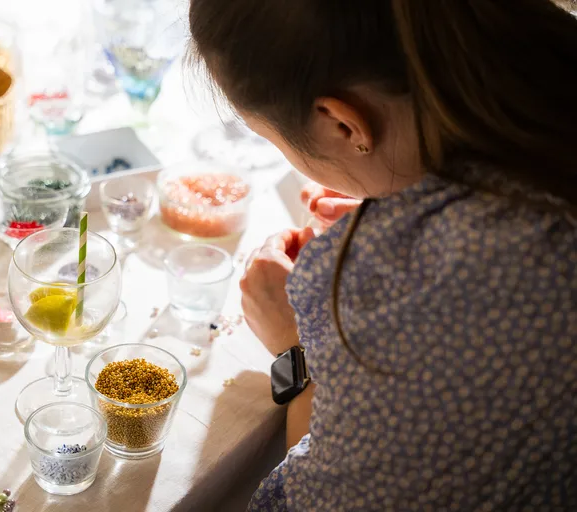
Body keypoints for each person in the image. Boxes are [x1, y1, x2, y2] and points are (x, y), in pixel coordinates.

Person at [188, 0, 577, 510]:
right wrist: (411, 204)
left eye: (272, 138)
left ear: (343, 124)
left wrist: (294, 346)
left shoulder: (406, 302)